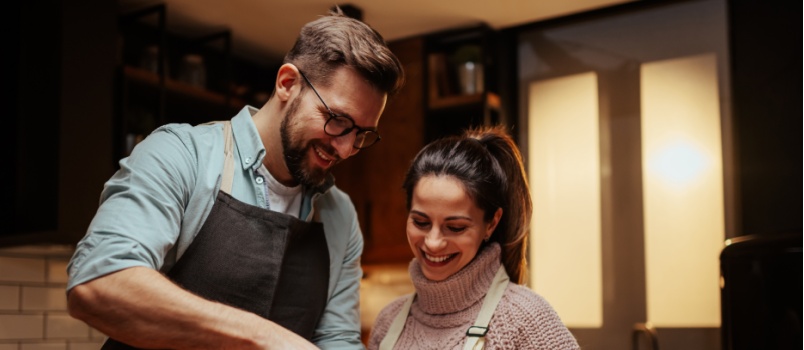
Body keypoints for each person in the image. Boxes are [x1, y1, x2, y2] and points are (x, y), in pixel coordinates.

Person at [66, 8, 404, 350]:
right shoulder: (183, 155)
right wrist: (263, 335)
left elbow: (336, 340)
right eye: (337, 119)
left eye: (362, 134)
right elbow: (99, 284)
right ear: (288, 83)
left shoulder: (339, 214)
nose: (346, 148)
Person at [368, 126, 580, 350]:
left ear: (491, 223)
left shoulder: (524, 319)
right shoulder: (388, 322)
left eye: (456, 227)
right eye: (421, 222)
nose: (433, 242)